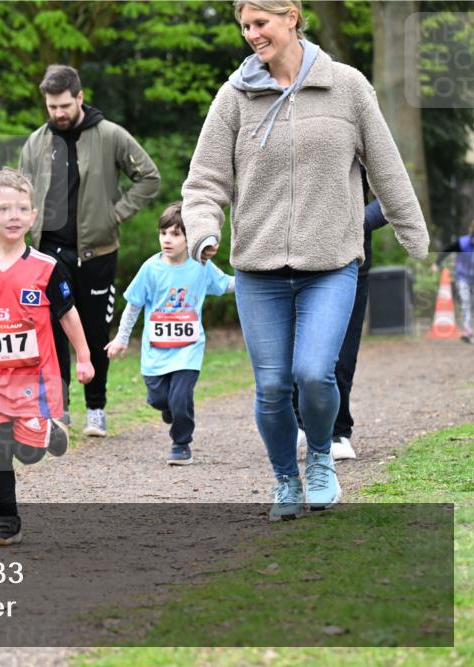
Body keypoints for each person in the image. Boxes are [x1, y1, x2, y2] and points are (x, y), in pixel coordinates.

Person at [182, 0, 429, 521]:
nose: (251, 34)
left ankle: (320, 456)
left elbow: (386, 168)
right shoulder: (233, 97)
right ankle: (285, 480)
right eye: (245, 26)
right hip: (259, 269)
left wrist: (413, 232)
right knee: (273, 386)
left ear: (292, 16)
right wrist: (204, 233)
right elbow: (204, 181)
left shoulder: (348, 87)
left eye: (261, 23)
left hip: (331, 263)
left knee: (316, 374)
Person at [0, 168, 95, 546]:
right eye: (4, 208)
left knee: (27, 453)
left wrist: (84, 357)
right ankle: (5, 519)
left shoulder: (46, 268)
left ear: (33, 215)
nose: (13, 215)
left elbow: (68, 314)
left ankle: (47, 432)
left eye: (21, 208)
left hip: (34, 380)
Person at [19, 64, 160, 438]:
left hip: (96, 253)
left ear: (80, 97)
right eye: (51, 107)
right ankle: (58, 410)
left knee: (95, 333)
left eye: (64, 105)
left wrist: (115, 215)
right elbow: (20, 195)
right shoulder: (35, 143)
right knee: (50, 334)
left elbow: (149, 178)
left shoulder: (110, 135)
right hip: (47, 256)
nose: (58, 113)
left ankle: (96, 408)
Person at [105, 202, 235, 465]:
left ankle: (181, 443)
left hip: (189, 349)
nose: (167, 239)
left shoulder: (201, 266)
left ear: (190, 239)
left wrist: (256, 279)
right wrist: (121, 338)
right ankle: (170, 409)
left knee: (180, 397)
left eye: (176, 234)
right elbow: (133, 306)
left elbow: (227, 284)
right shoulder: (151, 269)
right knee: (158, 399)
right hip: (156, 352)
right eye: (163, 233)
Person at [294, 196, 389, 460]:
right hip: (293, 265)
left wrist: (352, 220)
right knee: (293, 353)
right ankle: (298, 422)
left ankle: (338, 431)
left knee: (339, 356)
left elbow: (389, 200)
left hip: (350, 266)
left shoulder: (365, 154)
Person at [436, 220, 474, 343]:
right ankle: (467, 331)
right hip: (463, 277)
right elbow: (447, 249)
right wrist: (437, 263)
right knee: (465, 302)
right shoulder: (462, 243)